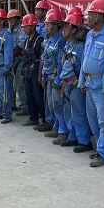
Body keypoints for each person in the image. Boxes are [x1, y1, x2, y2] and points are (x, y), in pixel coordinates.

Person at [79, 0, 104, 167]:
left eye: (91, 14)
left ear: (100, 16)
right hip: (89, 83)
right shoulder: (89, 34)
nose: (88, 18)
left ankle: (103, 153)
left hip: (101, 85)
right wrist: (82, 81)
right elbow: (84, 59)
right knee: (92, 118)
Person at [58, 13, 92, 152]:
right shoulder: (69, 45)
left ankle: (84, 141)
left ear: (74, 29)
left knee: (79, 114)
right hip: (67, 84)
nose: (63, 29)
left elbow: (84, 65)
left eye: (67, 26)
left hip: (75, 84)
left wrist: (79, 81)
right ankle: (73, 137)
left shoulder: (80, 47)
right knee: (70, 113)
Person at [41, 8, 66, 138]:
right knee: (50, 105)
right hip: (49, 76)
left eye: (48, 24)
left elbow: (61, 62)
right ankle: (54, 126)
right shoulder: (49, 39)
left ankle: (62, 130)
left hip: (56, 78)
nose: (45, 27)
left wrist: (58, 80)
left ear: (55, 26)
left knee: (57, 105)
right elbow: (45, 58)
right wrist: (43, 74)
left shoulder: (60, 41)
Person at [20, 13, 45, 128]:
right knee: (29, 95)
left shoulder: (39, 40)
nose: (24, 29)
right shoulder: (27, 41)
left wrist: (39, 73)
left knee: (38, 96)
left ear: (32, 26)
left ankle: (44, 119)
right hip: (27, 71)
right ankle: (33, 117)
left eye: (25, 27)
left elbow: (42, 58)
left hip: (36, 70)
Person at [8, 9, 29, 116]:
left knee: (20, 83)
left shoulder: (21, 31)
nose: (10, 21)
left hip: (19, 59)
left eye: (12, 19)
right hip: (10, 59)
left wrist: (10, 54)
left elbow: (20, 46)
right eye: (9, 19)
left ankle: (24, 105)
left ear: (17, 19)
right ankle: (11, 103)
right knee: (10, 82)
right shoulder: (8, 31)